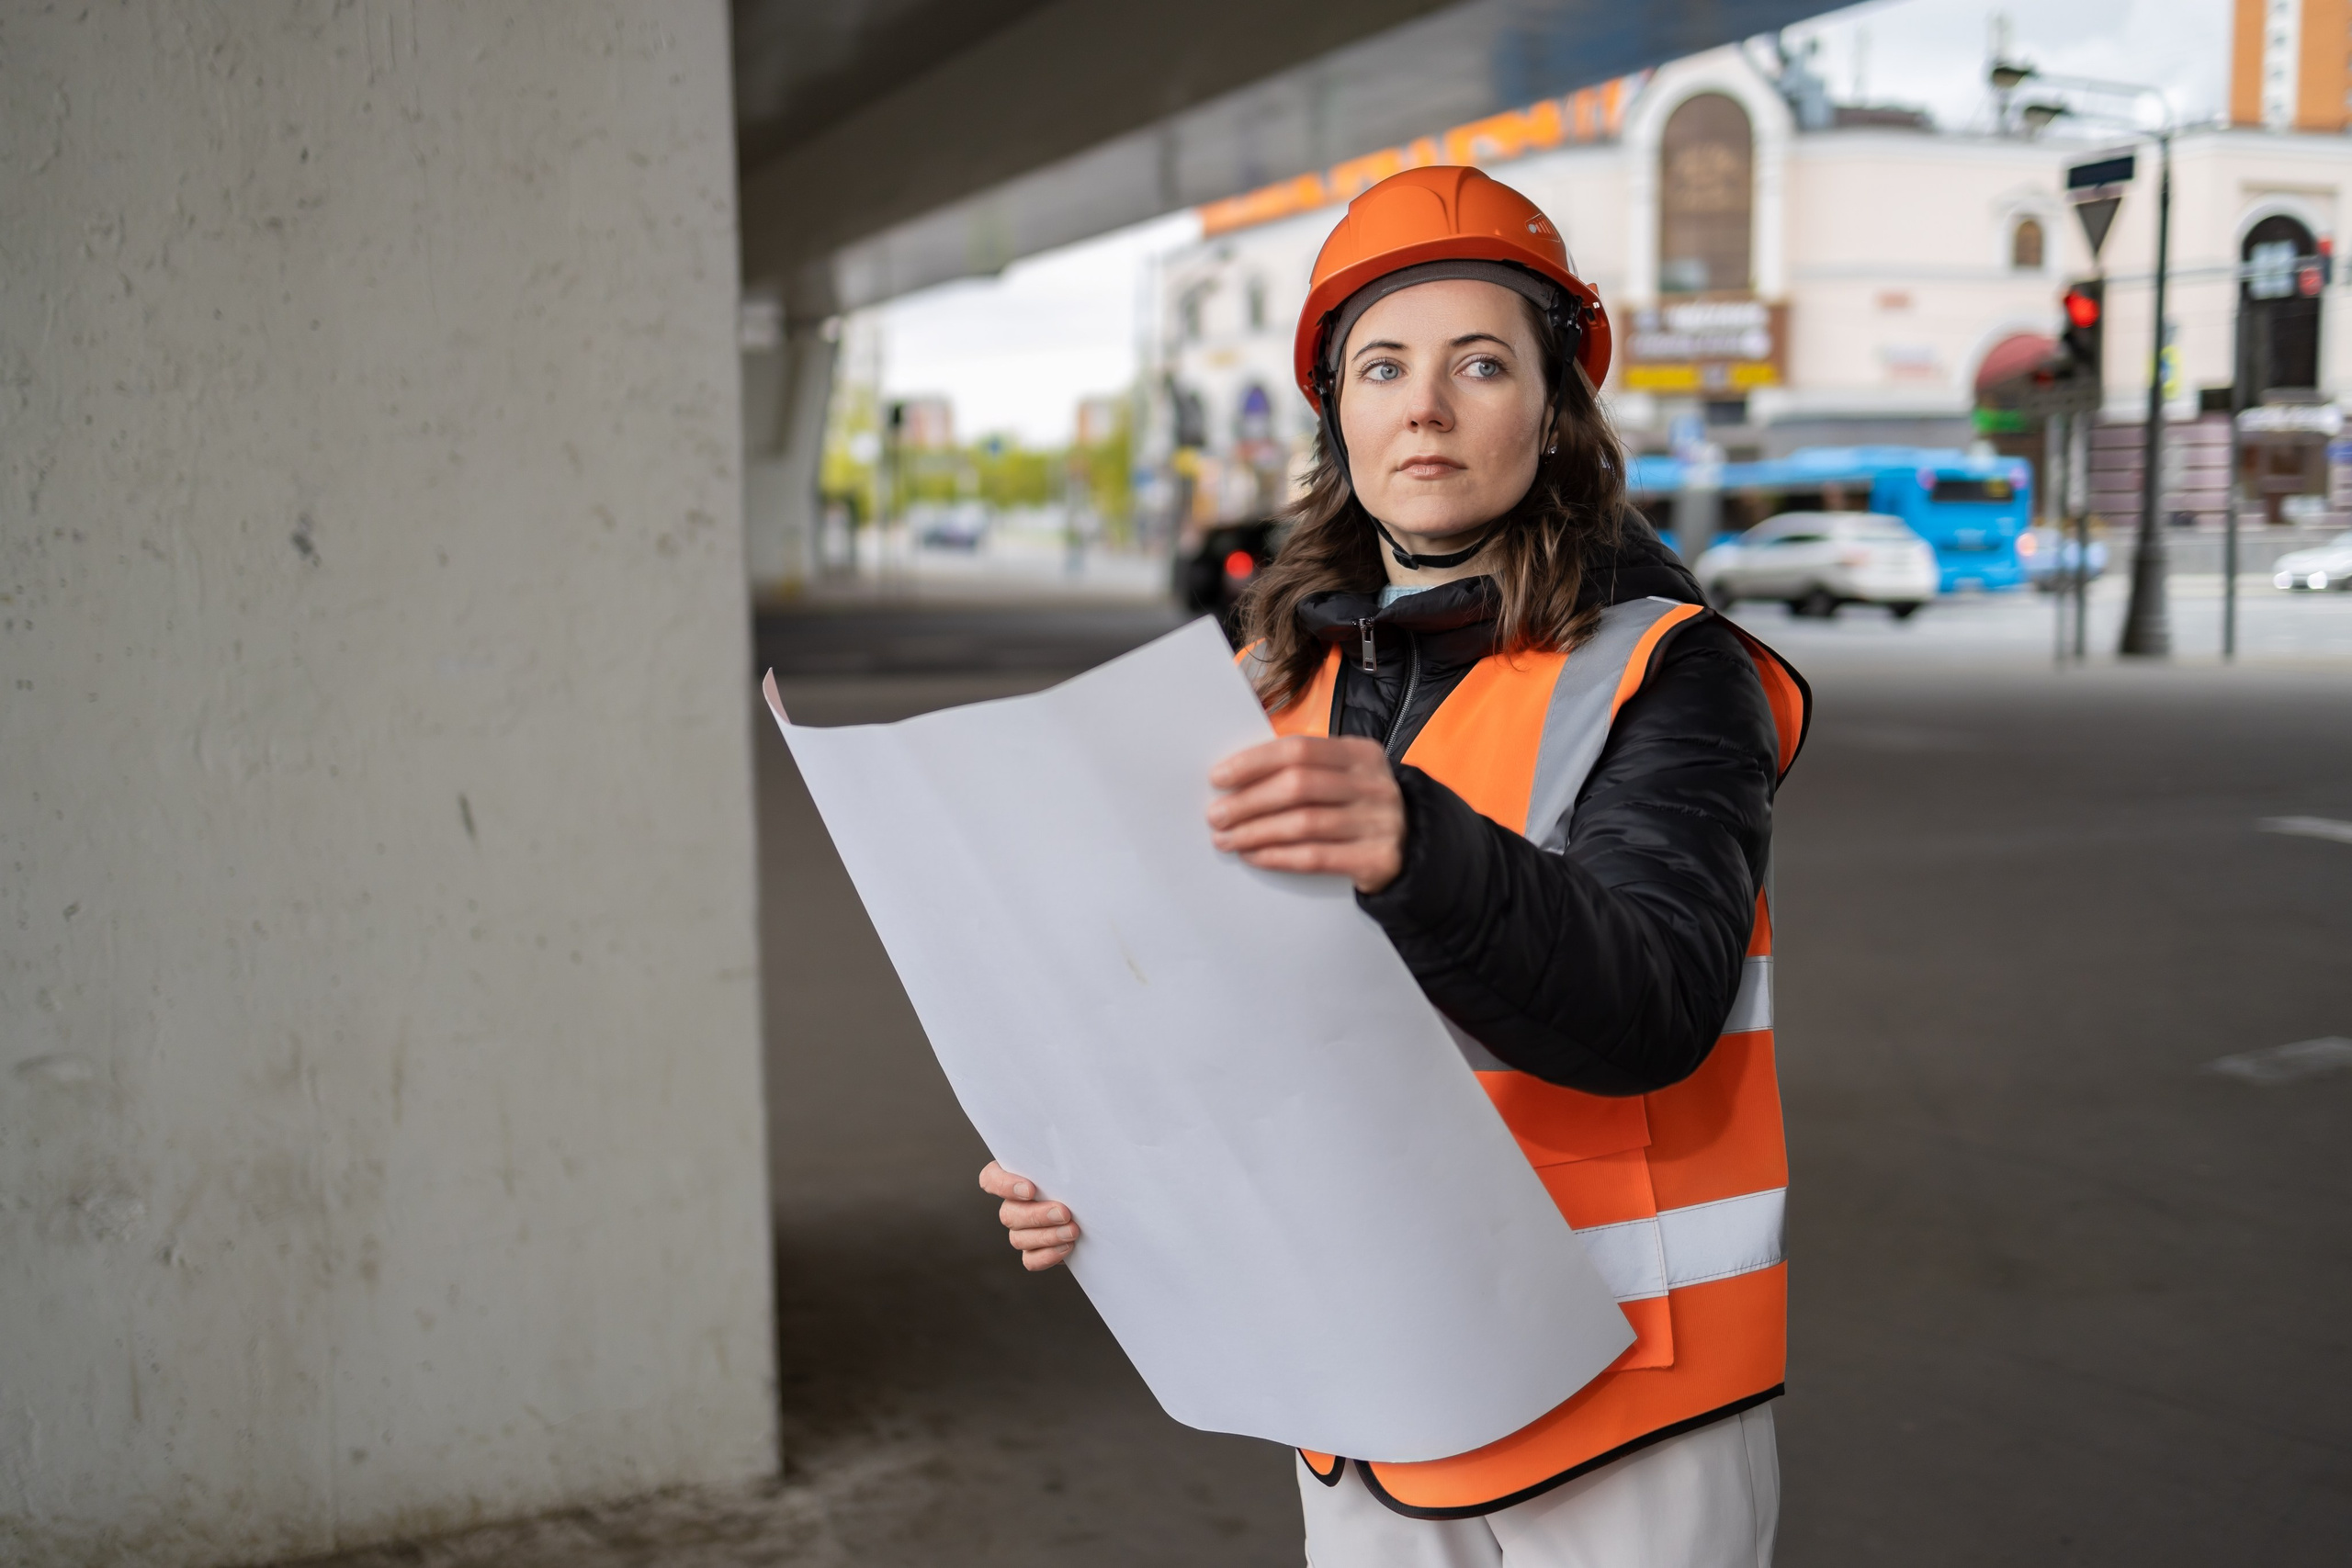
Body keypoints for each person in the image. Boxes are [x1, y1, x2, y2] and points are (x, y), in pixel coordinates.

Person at [978, 164, 1809, 1567]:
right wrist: (1103, 1176)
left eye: (1480, 363)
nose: (1424, 403)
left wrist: (1420, 852)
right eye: (1382, 367)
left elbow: (1656, 1002)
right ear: (1341, 418)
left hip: (1621, 1400)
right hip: (1360, 1378)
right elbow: (1205, 1018)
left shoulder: (1671, 668)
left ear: (1553, 413)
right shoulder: (1260, 684)